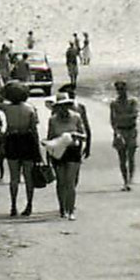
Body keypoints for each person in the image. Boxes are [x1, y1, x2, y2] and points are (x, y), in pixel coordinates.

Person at [45, 91, 88, 219]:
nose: (63, 108)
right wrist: (48, 151)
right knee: (61, 181)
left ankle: (71, 210)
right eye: (61, 106)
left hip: (72, 150)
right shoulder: (52, 120)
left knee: (70, 182)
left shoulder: (76, 117)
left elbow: (84, 135)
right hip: (58, 151)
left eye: (66, 105)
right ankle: (62, 208)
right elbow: (50, 137)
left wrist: (75, 135)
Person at [0, 83, 41, 216]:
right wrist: (37, 149)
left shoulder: (6, 108)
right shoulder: (30, 109)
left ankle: (13, 205)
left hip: (12, 140)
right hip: (27, 140)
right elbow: (34, 130)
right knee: (28, 176)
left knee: (14, 177)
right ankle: (29, 204)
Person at [109, 79, 140, 190]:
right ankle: (125, 180)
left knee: (131, 156)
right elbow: (113, 120)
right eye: (119, 89)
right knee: (122, 158)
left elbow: (134, 115)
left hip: (131, 130)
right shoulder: (114, 103)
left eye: (122, 89)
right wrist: (116, 131)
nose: (121, 91)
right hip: (120, 131)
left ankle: (130, 179)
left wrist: (121, 117)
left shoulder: (132, 101)